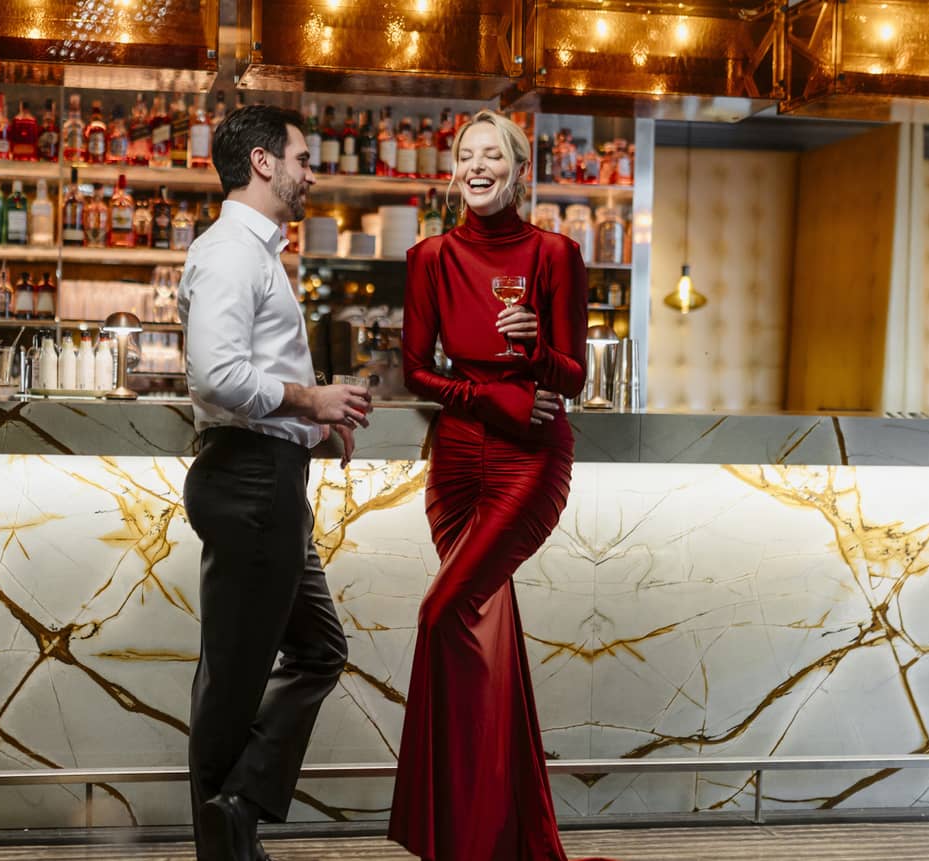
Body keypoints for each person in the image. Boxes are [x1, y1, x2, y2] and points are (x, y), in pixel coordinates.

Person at [389, 110, 611, 861]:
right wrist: (489, 396)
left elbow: (574, 376)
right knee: (485, 641)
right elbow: (416, 369)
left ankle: (454, 837)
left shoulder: (556, 253)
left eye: (493, 156)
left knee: (442, 613)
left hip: (530, 460)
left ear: (521, 171)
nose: (476, 166)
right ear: (454, 169)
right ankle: (497, 835)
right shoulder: (428, 257)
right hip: (456, 461)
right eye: (464, 155)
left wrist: (536, 349)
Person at [177, 104, 372, 861]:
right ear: (263, 162)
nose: (310, 171)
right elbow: (217, 374)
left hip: (268, 477)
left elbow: (248, 376)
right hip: (248, 483)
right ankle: (226, 842)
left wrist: (313, 428)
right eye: (301, 157)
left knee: (319, 648)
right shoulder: (232, 251)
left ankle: (238, 807)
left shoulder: (257, 253)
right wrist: (312, 400)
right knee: (229, 686)